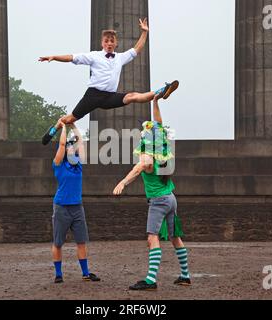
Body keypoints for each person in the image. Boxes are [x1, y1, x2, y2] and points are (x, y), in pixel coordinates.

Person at [40, 18, 179, 145]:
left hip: (109, 97)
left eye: (112, 41)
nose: (109, 43)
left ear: (116, 43)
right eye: (106, 41)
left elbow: (137, 49)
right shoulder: (94, 56)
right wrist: (54, 56)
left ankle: (162, 91)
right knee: (70, 119)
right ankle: (54, 128)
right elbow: (72, 57)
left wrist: (144, 32)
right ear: (102, 43)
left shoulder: (120, 57)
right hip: (93, 95)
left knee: (132, 97)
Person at [113, 95, 191, 291]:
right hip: (171, 199)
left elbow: (141, 166)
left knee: (152, 237)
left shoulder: (148, 156)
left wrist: (123, 182)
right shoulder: (162, 149)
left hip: (159, 201)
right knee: (175, 237)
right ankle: (185, 275)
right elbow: (158, 124)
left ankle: (150, 280)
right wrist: (155, 102)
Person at [51, 121, 100, 284]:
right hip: (61, 207)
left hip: (77, 207)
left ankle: (86, 273)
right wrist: (63, 126)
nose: (72, 148)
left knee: (81, 241)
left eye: (73, 147)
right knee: (58, 243)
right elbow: (63, 143)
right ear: (65, 150)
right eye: (69, 147)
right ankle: (58, 274)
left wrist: (73, 126)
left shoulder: (78, 164)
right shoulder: (58, 164)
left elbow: (81, 141)